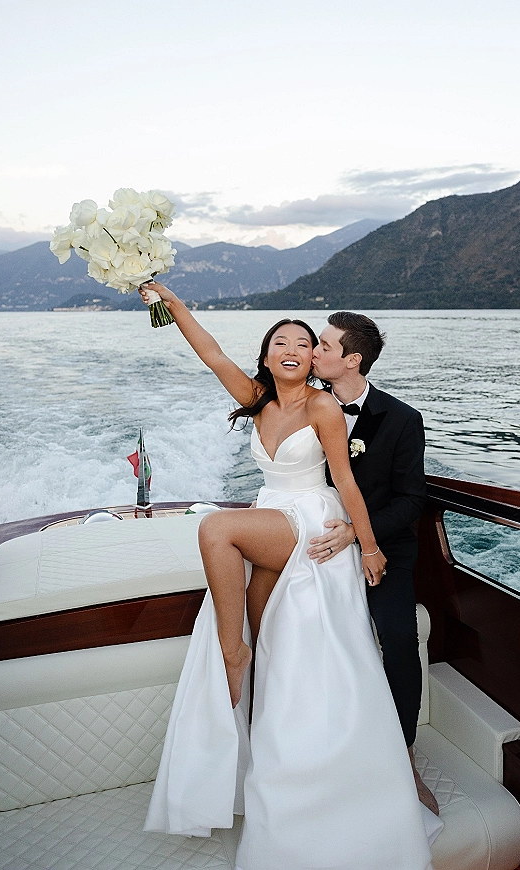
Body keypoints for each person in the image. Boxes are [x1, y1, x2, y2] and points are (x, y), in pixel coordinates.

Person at [140, 282, 442, 870]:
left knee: (215, 530)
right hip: (271, 515)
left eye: (307, 344)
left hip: (311, 519)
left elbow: (347, 483)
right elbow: (211, 354)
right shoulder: (255, 398)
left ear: (317, 361)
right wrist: (174, 304)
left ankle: (231, 655)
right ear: (267, 354)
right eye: (282, 340)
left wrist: (371, 546)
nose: (296, 348)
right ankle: (271, 750)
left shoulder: (324, 406)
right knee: (271, 641)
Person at [307, 311, 438, 814]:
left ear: (351, 359)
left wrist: (361, 536)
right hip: (317, 545)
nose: (314, 352)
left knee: (401, 638)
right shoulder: (303, 407)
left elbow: (411, 500)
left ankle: (404, 753)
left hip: (384, 549)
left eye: (323, 345)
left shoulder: (402, 419)